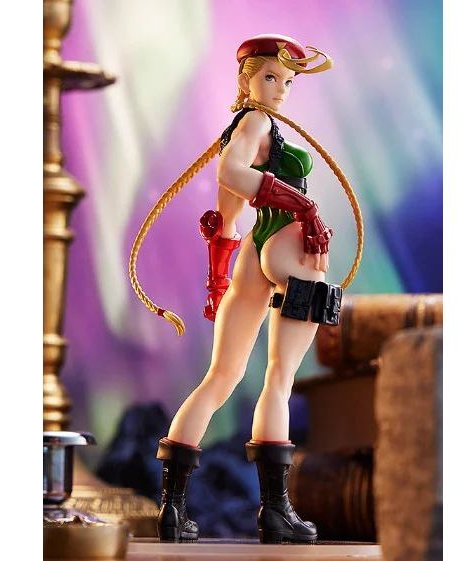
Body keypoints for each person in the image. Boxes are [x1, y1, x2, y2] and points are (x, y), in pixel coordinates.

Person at [129, 34, 363, 544]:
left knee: (221, 377)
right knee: (278, 379)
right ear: (247, 78)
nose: (279, 89)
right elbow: (230, 174)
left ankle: (172, 509)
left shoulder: (246, 127)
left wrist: (220, 271)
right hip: (289, 244)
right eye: (270, 77)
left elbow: (227, 212)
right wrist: (301, 205)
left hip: (257, 248)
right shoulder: (255, 123)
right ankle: (275, 512)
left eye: (287, 81)